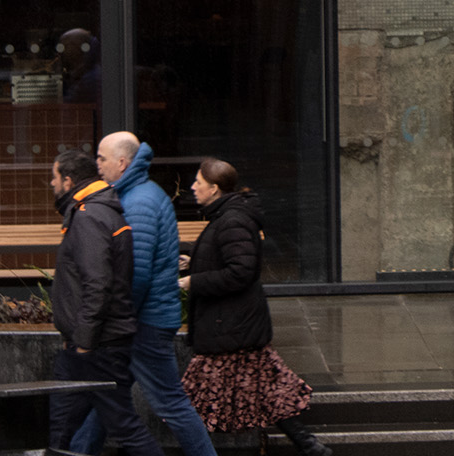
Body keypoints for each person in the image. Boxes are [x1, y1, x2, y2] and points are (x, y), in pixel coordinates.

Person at [69, 133, 217, 456]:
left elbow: (135, 273)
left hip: (145, 323)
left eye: (102, 158)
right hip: (146, 319)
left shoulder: (138, 203)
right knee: (110, 395)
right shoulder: (138, 194)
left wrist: (117, 322)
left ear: (122, 163)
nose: (97, 164)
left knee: (170, 402)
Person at [178, 159, 330, 456]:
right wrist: (193, 261)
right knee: (264, 390)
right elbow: (227, 257)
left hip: (232, 326)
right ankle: (309, 446)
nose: (192, 187)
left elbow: (241, 272)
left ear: (214, 188)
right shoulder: (227, 216)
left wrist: (194, 281)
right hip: (234, 325)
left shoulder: (233, 220)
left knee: (190, 398)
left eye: (198, 182)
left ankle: (309, 446)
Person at [45, 148, 166, 456]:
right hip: (91, 343)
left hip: (97, 345)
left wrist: (84, 342)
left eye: (54, 177)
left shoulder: (89, 216)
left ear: (69, 181)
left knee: (123, 425)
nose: (52, 184)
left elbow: (97, 283)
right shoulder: (97, 211)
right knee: (62, 425)